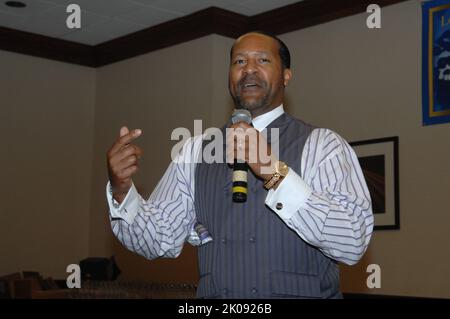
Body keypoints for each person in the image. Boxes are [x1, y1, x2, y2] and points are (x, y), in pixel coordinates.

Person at [106, 31, 374, 299]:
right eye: (239, 62)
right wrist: (121, 191)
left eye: (263, 61)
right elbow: (157, 239)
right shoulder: (195, 151)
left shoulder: (323, 145)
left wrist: (273, 171)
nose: (249, 70)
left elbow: (353, 239)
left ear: (286, 76)